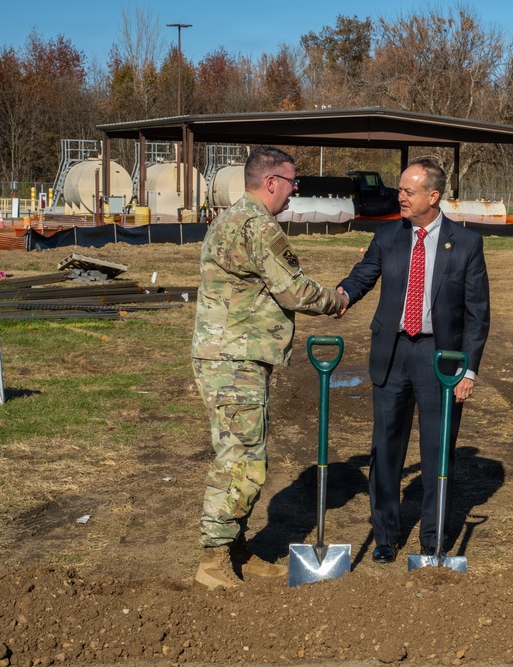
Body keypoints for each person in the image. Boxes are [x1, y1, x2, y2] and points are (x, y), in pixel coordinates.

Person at [191, 146, 348, 589]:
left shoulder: (229, 218)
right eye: (293, 183)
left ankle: (237, 550)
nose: (295, 191)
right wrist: (336, 300)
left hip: (228, 356)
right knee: (241, 460)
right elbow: (292, 289)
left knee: (244, 452)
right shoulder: (258, 225)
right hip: (234, 360)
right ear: (272, 181)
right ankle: (214, 558)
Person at [337, 158, 490, 563]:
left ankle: (432, 540)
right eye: (400, 189)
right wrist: (341, 296)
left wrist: (469, 368)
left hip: (441, 359)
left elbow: (478, 313)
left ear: (433, 196)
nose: (399, 196)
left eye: (408, 190)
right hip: (392, 352)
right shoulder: (388, 234)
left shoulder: (466, 243)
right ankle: (385, 535)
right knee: (385, 448)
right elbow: (364, 274)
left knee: (438, 450)